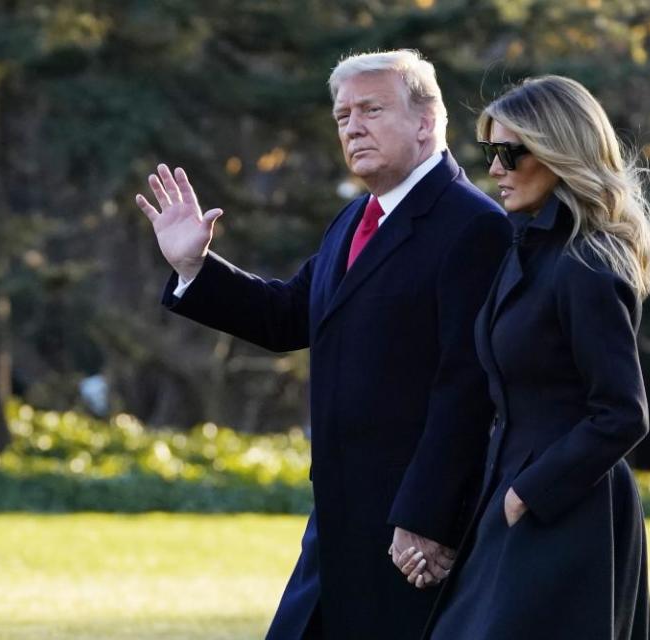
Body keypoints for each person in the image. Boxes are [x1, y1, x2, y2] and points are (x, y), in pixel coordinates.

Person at [135, 50, 511, 639]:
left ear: (426, 121)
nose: (352, 126)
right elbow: (289, 315)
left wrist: (426, 518)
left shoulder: (474, 225)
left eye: (371, 109)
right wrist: (195, 267)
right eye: (342, 116)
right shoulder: (353, 219)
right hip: (339, 520)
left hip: (410, 529)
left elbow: (466, 388)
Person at [403, 75, 650, 639]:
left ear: (557, 151)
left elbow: (623, 413)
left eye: (508, 152)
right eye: (489, 151)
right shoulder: (524, 250)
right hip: (512, 499)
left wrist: (528, 493)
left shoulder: (586, 264)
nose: (494, 167)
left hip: (566, 510)